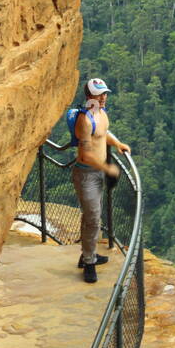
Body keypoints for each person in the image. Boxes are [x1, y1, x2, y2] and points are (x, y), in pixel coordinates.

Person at [71, 77, 130, 284]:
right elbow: (86, 155)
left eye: (105, 93)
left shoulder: (102, 114)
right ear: (89, 97)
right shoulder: (84, 120)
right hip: (86, 174)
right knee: (93, 217)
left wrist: (118, 144)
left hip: (97, 174)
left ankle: (87, 254)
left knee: (91, 216)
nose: (103, 97)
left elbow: (103, 135)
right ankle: (89, 262)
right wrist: (108, 168)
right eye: (99, 94)